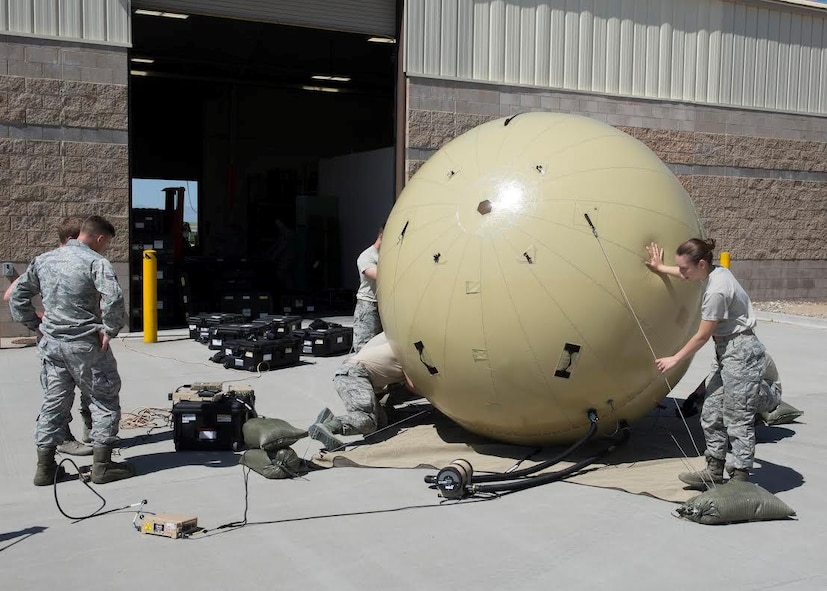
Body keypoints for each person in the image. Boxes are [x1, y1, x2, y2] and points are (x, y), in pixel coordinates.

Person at [9, 215, 135, 486]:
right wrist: (109, 329)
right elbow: (114, 298)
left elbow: (17, 296)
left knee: (54, 402)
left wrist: (35, 324)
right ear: (99, 238)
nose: (106, 249)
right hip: (85, 345)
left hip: (52, 346)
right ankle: (102, 466)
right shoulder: (96, 262)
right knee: (103, 399)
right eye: (107, 243)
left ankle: (45, 468)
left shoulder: (43, 260)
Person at [645, 238, 769, 489]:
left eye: (684, 268)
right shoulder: (714, 271)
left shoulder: (717, 291)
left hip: (741, 353)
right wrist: (661, 268)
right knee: (711, 412)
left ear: (701, 264)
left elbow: (702, 335)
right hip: (726, 351)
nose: (681, 272)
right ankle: (714, 470)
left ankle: (741, 478)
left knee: (738, 417)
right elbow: (686, 274)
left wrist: (675, 358)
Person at [3, 216, 93, 457]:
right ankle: (62, 437)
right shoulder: (48, 263)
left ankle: (93, 432)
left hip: (84, 339)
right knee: (58, 393)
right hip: (58, 341)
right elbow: (13, 296)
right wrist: (37, 322)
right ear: (75, 239)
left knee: (91, 388)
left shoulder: (81, 262)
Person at [309, 332, 415, 450]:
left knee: (381, 421)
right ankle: (329, 426)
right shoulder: (407, 351)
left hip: (351, 373)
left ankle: (328, 418)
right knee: (367, 420)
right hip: (355, 375)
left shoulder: (392, 335)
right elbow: (413, 386)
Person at [352, 228, 383, 353]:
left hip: (383, 306)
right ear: (382, 236)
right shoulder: (367, 256)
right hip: (368, 306)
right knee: (364, 347)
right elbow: (376, 274)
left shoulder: (388, 256)